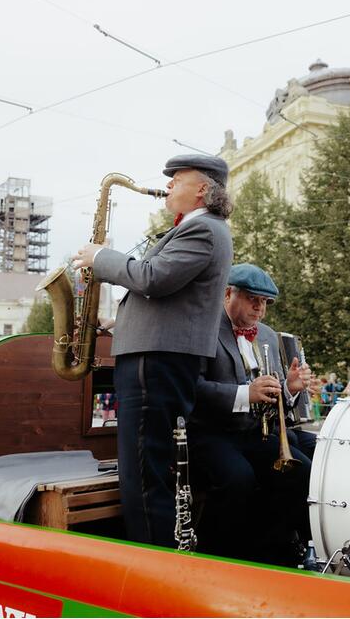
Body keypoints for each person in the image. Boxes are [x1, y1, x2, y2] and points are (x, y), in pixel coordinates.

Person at [71, 154, 234, 548]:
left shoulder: (203, 230)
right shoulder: (199, 228)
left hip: (157, 360)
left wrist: (100, 257)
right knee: (148, 470)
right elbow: (170, 298)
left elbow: (152, 278)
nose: (168, 185)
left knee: (143, 476)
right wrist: (120, 323)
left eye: (178, 179)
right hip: (158, 357)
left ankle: (150, 563)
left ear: (201, 189)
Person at [189, 263, 317, 564]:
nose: (260, 308)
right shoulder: (202, 327)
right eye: (252, 299)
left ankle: (270, 551)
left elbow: (273, 397)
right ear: (227, 293)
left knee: (301, 471)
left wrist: (290, 387)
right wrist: (246, 393)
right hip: (209, 432)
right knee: (238, 478)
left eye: (265, 302)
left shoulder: (268, 335)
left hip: (252, 432)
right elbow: (192, 387)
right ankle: (216, 556)